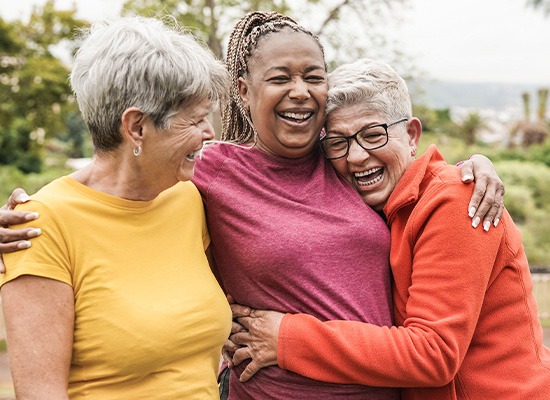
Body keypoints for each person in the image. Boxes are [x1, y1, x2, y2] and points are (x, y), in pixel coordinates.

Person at [1, 11, 505, 400]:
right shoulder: (209, 173)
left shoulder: (339, 159)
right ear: (243, 91)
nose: (301, 92)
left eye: (314, 76)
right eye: (280, 77)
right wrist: (27, 212)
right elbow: (111, 184)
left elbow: (394, 160)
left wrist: (471, 167)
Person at [226, 58, 550, 399]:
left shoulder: (455, 201)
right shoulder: (376, 208)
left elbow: (433, 353)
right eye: (338, 142)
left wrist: (287, 338)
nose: (356, 156)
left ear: (411, 135)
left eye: (372, 135)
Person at [0, 16, 231, 399]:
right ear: (137, 127)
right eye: (196, 119)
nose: (209, 133)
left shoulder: (189, 197)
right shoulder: (41, 226)